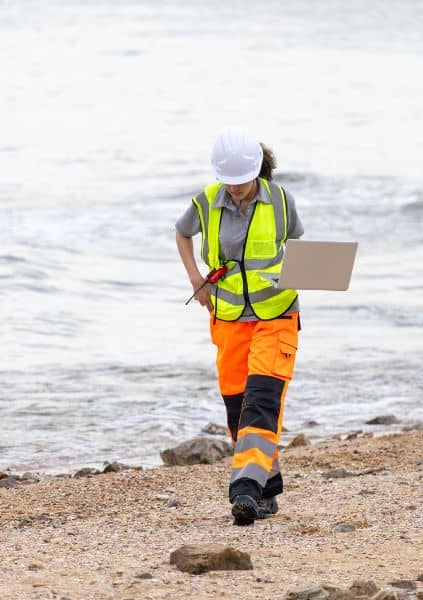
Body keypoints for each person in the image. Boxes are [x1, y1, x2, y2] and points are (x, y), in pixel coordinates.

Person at [174, 127, 304, 526]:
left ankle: (245, 488)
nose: (234, 189)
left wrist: (313, 275)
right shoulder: (207, 202)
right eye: (227, 181)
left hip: (277, 317)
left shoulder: (282, 201)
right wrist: (196, 280)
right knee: (238, 407)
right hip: (229, 320)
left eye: (241, 182)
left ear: (257, 172)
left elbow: (299, 248)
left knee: (262, 402)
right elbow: (181, 233)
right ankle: (267, 489)